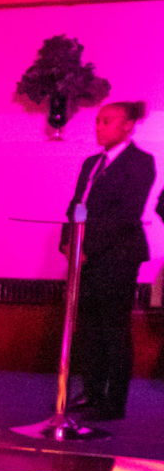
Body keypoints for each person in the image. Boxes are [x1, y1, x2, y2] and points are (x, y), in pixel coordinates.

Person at [65, 100, 155, 422]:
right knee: (89, 328)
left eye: (107, 121)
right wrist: (69, 243)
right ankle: (90, 393)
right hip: (86, 257)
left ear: (128, 125)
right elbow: (76, 204)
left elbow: (125, 214)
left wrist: (90, 247)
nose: (99, 127)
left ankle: (113, 402)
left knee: (113, 330)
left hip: (117, 256)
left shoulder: (140, 162)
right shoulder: (92, 163)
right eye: (98, 121)